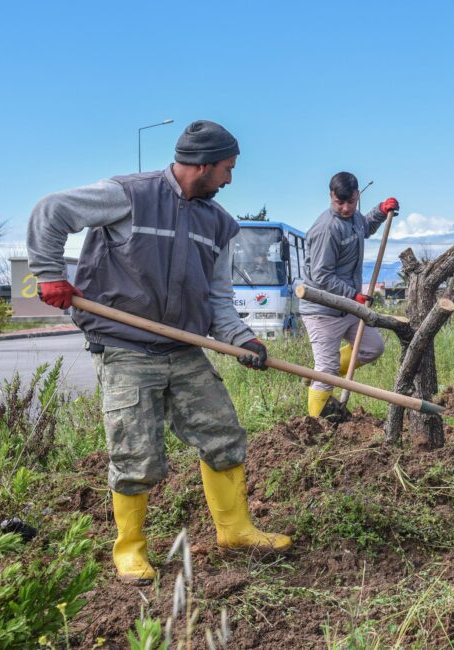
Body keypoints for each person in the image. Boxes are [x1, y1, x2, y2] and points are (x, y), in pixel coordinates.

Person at [27, 120, 291, 584]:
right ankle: (130, 549)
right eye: (228, 168)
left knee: (223, 433)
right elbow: (52, 211)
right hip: (124, 346)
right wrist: (49, 272)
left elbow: (217, 301)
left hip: (183, 347)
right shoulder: (129, 195)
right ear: (203, 165)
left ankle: (236, 530)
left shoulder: (218, 223)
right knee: (135, 452)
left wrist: (241, 339)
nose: (230, 179)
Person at [299, 172, 397, 416]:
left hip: (348, 306)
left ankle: (321, 376)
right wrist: (353, 295)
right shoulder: (326, 229)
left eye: (350, 203)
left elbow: (365, 227)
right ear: (331, 196)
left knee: (372, 347)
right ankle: (314, 426)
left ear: (357, 197)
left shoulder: (353, 219)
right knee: (327, 369)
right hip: (323, 311)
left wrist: (381, 210)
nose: (344, 208)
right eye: (338, 203)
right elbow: (321, 276)